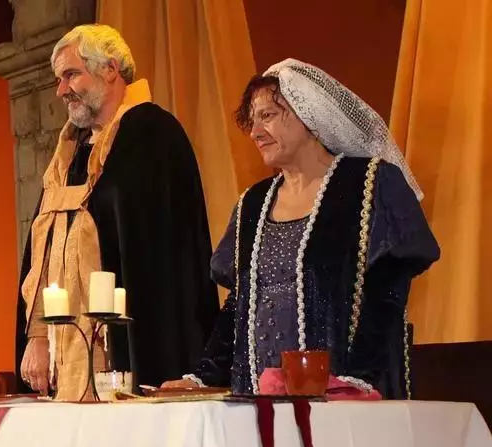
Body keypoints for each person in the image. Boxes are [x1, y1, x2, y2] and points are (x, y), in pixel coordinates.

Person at [162, 59, 440, 398]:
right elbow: (238, 307)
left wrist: (355, 381)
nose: (255, 132)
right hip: (259, 400)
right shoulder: (253, 203)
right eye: (252, 120)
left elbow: (387, 296)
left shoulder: (368, 184)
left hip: (344, 399)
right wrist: (202, 377)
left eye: (267, 116)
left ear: (308, 113)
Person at [17, 24, 219, 401]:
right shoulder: (68, 156)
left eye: (71, 74)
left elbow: (163, 266)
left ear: (110, 69)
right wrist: (39, 334)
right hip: (66, 351)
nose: (61, 90)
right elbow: (43, 253)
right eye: (59, 79)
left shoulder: (152, 135)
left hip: (132, 348)